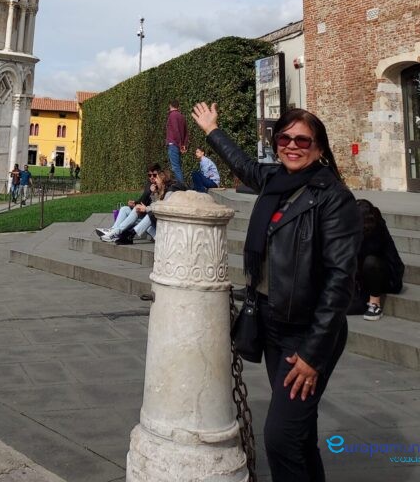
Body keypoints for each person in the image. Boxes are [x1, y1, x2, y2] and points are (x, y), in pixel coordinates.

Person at [191, 101, 360, 482]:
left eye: (303, 140)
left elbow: (340, 281)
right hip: (271, 322)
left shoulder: (334, 198)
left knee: (281, 438)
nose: (292, 146)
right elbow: (242, 164)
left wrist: (313, 354)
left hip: (307, 331)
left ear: (319, 147)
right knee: (299, 434)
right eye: (284, 139)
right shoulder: (273, 181)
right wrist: (212, 130)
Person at [348, 198, 404, 321]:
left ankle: (375, 304)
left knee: (370, 262)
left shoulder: (376, 230)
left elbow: (367, 255)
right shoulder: (354, 230)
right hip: (364, 279)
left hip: (388, 278)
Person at [96, 164, 160, 239]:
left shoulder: (161, 187)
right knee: (124, 209)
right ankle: (113, 230)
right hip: (144, 214)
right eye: (149, 175)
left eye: (154, 175)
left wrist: (154, 193)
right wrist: (134, 203)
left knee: (136, 209)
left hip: (152, 218)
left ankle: (115, 233)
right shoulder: (149, 185)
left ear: (159, 175)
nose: (152, 177)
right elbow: (143, 200)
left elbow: (157, 206)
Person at [165, 100, 188, 184]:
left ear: (170, 106)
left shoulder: (172, 115)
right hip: (178, 145)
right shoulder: (182, 116)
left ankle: (182, 187)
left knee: (175, 167)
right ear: (178, 106)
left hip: (173, 144)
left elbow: (176, 130)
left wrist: (180, 144)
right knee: (178, 166)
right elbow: (186, 132)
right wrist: (184, 144)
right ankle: (181, 186)